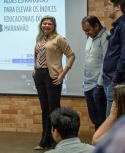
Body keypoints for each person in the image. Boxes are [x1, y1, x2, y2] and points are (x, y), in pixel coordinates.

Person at [32, 15, 75, 150]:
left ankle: (55, 143)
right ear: (41, 25)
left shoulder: (59, 39)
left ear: (54, 26)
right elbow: (37, 55)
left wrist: (63, 74)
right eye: (44, 23)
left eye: (49, 24)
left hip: (53, 76)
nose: (46, 25)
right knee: (45, 109)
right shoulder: (39, 39)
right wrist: (35, 68)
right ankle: (44, 142)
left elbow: (71, 55)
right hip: (39, 75)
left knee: (54, 109)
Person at [81, 15, 110, 130]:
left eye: (88, 30)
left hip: (98, 85)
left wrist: (99, 84)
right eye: (84, 31)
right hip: (88, 84)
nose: (86, 33)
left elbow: (106, 61)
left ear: (97, 25)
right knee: (95, 118)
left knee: (102, 118)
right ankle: (98, 143)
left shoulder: (106, 37)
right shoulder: (90, 38)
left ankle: (102, 145)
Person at [102, 0, 125, 117]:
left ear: (118, 7)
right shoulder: (117, 26)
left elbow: (124, 56)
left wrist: (115, 80)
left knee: (111, 124)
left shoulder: (123, 25)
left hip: (116, 82)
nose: (107, 8)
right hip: (111, 80)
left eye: (109, 4)